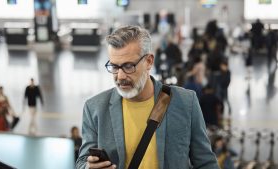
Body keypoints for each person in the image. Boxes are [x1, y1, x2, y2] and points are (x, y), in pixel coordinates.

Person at [77, 26, 219, 169]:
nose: (120, 76)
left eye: (128, 66)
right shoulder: (94, 108)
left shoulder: (186, 103)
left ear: (149, 61)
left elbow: (206, 163)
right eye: (114, 67)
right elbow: (82, 161)